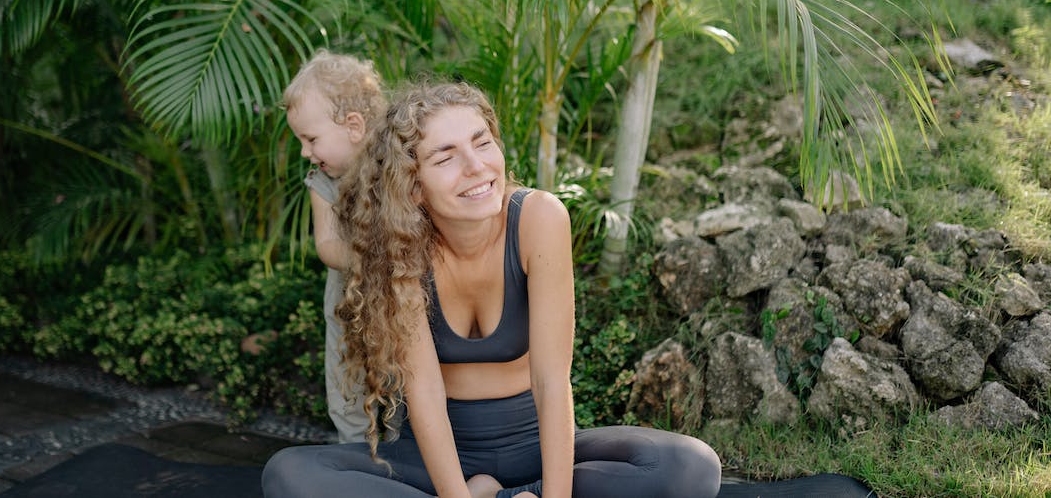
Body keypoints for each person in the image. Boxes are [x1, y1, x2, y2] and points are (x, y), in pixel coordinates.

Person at [262, 82, 721, 497]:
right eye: (445, 158)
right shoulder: (402, 247)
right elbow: (426, 396)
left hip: (534, 446)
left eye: (482, 143)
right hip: (437, 458)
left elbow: (551, 382)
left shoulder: (538, 219)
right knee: (289, 473)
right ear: (413, 186)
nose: (476, 166)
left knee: (690, 467)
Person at [273, 50, 387, 444]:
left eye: (311, 139)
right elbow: (327, 244)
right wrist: (380, 258)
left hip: (402, 307)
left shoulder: (399, 170)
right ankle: (355, 461)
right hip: (347, 311)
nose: (305, 152)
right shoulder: (323, 183)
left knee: (407, 388)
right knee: (348, 391)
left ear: (354, 126)